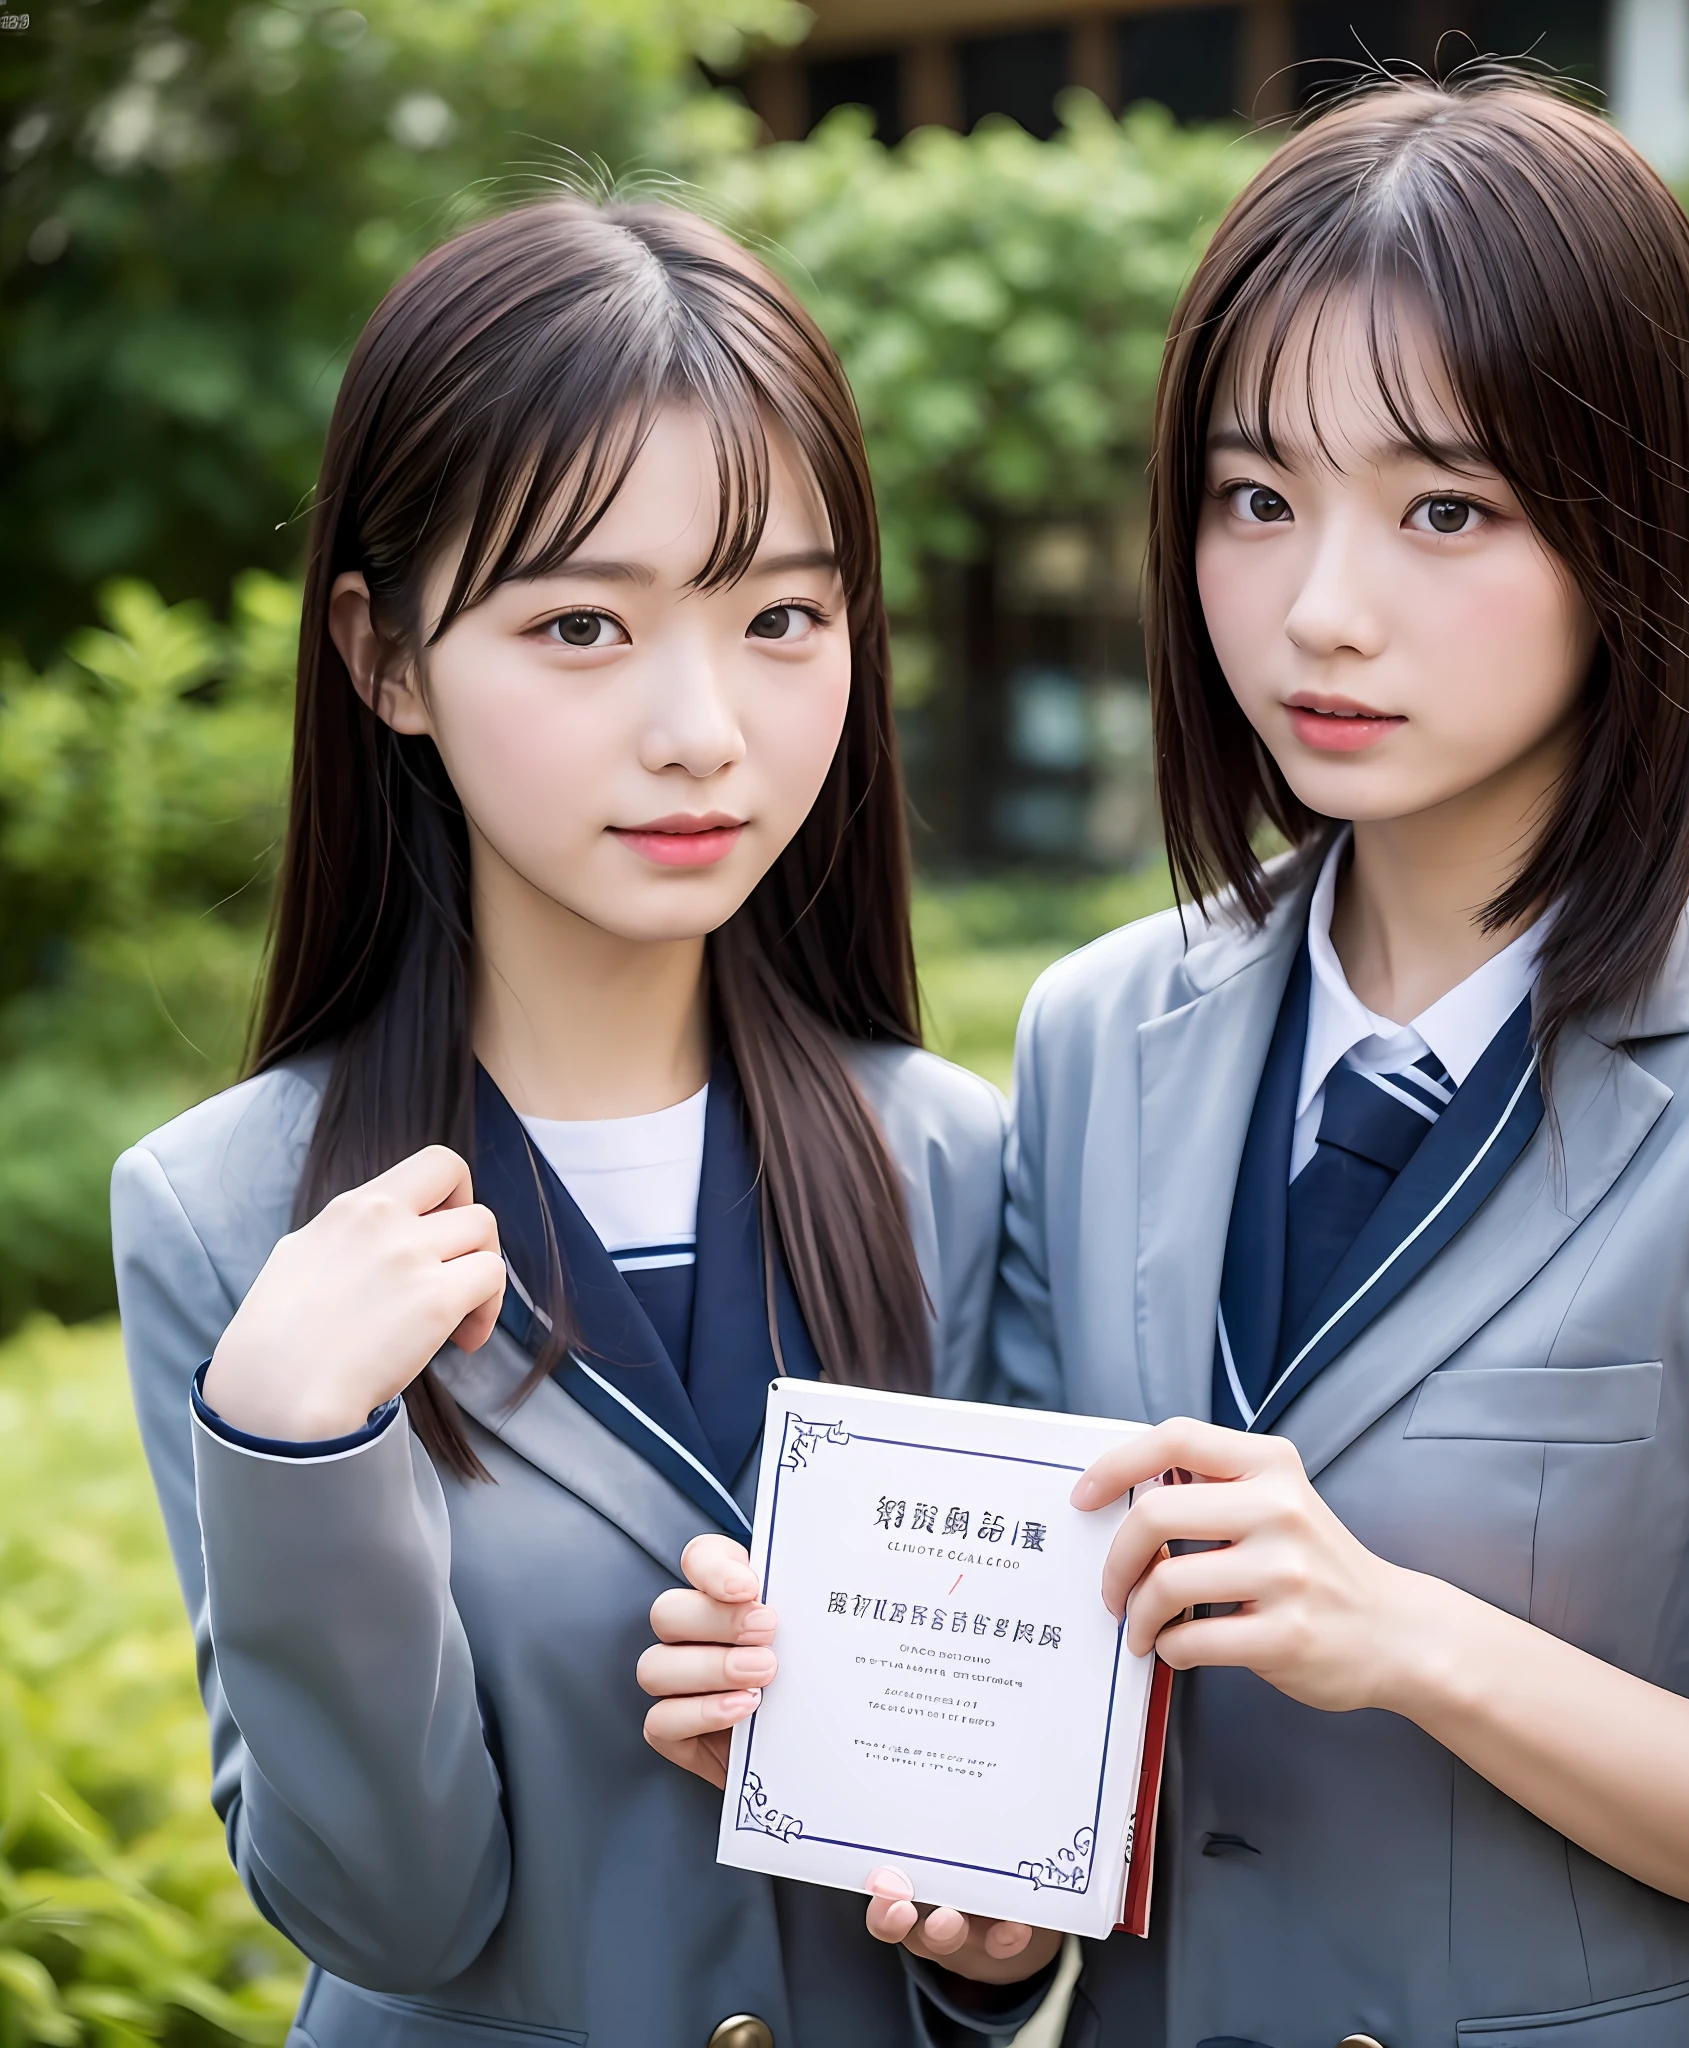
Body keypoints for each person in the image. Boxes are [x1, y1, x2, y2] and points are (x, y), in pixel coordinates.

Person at [981, 83, 1689, 2046]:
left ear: (1639, 527)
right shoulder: (1093, 1032)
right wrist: (945, 1867)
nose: (1319, 607)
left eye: (1444, 507)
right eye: (1252, 495)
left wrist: (1415, 1643)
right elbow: (1058, 1701)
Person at [109, 198, 1054, 2048]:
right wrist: (296, 1442)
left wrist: (988, 1940)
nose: (701, 726)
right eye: (579, 625)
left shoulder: (959, 1159)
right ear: (384, 660)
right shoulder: (230, 1220)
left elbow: (1008, 1859)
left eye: (779, 614)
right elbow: (389, 1908)